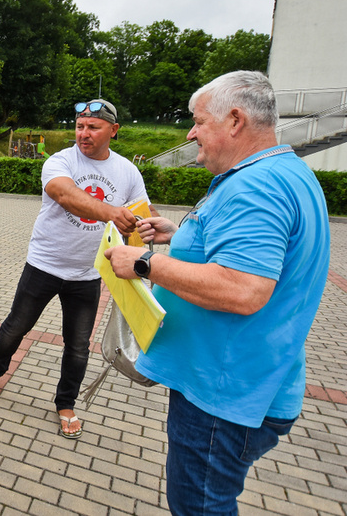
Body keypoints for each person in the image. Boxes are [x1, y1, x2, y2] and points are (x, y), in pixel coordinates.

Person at [104, 71, 330, 515]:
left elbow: (244, 289)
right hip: (252, 381)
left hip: (222, 397)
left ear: (235, 120)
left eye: (198, 121)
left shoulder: (256, 187)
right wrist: (183, 234)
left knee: (201, 506)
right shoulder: (285, 172)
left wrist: (146, 263)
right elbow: (244, 254)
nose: (190, 133)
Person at [0, 98, 157, 439]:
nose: (83, 134)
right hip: (44, 264)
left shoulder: (128, 172)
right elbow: (64, 193)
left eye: (93, 127)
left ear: (113, 131)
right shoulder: (61, 161)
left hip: (87, 274)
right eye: (79, 126)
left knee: (77, 345)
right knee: (16, 328)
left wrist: (149, 229)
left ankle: (66, 403)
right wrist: (111, 212)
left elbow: (142, 213)